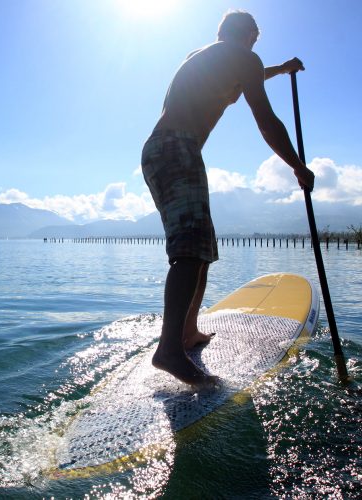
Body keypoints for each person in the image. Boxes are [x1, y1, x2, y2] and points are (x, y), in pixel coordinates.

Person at [142, 10, 315, 386]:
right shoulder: (243, 58)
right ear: (251, 35)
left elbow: (240, 78)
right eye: (255, 39)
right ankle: (169, 349)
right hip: (177, 149)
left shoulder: (205, 56)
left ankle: (187, 333)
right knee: (190, 250)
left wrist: (279, 69)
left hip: (162, 151)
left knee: (200, 248)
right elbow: (266, 119)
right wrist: (298, 166)